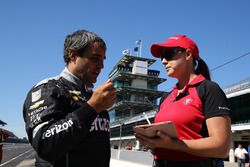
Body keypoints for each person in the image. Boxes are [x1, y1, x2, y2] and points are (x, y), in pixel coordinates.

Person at [134, 35, 231, 167]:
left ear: (188, 54)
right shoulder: (165, 98)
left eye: (168, 54)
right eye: (161, 56)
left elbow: (222, 147)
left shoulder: (209, 89)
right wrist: (152, 141)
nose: (163, 61)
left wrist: (173, 144)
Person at [23, 29, 116, 167]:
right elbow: (44, 144)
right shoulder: (48, 89)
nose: (101, 66)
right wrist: (91, 108)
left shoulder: (93, 96)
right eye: (95, 58)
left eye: (103, 60)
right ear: (73, 55)